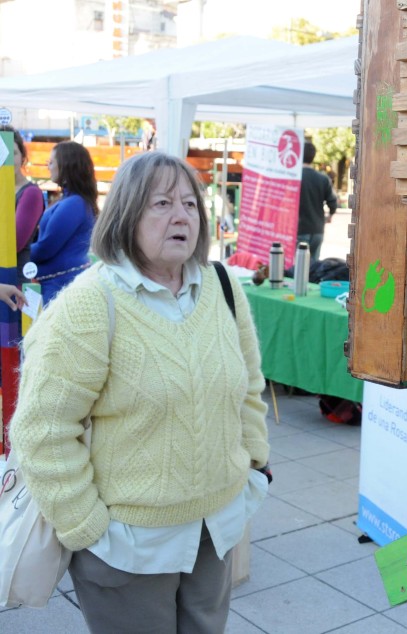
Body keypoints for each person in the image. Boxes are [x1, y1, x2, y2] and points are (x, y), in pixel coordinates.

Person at [10, 151, 271, 633]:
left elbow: (250, 386)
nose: (181, 216)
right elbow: (41, 430)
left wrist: (255, 464)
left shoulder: (222, 285)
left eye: (191, 204)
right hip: (128, 547)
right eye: (162, 204)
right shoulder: (91, 303)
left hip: (216, 529)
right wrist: (85, 526)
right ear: (127, 214)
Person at [30, 141, 98, 304]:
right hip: (58, 284)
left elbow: (46, 248)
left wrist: (14, 253)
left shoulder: (74, 204)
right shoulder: (74, 201)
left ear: (67, 165)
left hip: (59, 287)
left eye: (51, 162)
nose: (48, 166)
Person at [0, 125, 46, 284]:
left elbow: (13, 243)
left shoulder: (30, 193)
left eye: (13, 153)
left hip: (13, 281)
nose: (7, 160)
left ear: (22, 156)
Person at [296, 140, 338, 260]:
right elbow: (333, 203)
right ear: (313, 157)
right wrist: (329, 216)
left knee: (298, 269)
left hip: (299, 229)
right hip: (317, 229)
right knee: (313, 268)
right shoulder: (323, 179)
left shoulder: (294, 177)